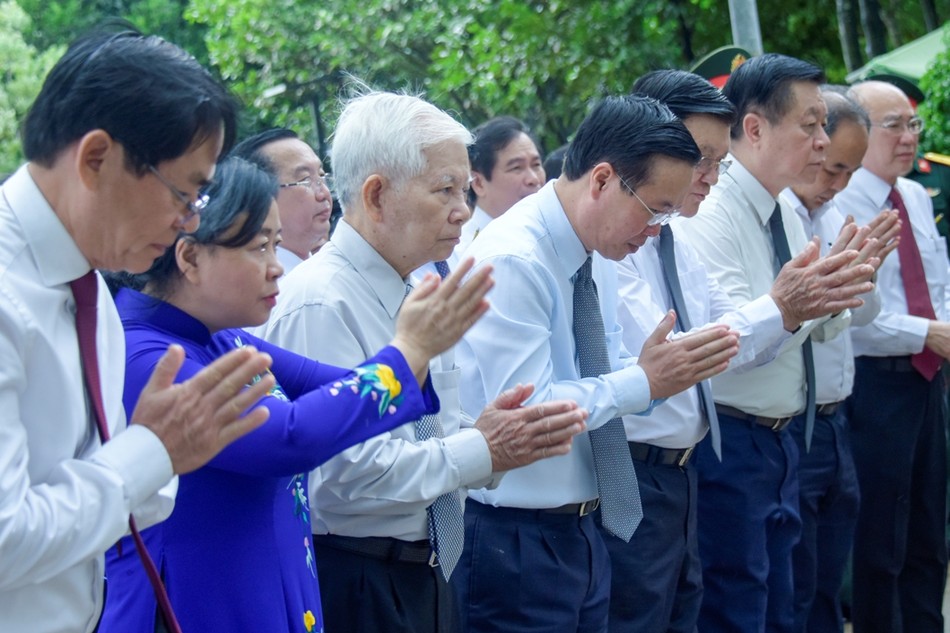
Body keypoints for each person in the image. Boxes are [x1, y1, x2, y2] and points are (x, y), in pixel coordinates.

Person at [97, 156, 493, 632]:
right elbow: (289, 436)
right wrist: (408, 351)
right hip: (199, 606)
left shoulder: (218, 338)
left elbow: (333, 386)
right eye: (260, 247)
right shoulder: (148, 357)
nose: (276, 268)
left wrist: (416, 354)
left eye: (276, 244)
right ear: (190, 258)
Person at [260, 90, 588, 633]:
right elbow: (348, 476)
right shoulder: (321, 301)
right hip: (362, 575)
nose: (464, 209)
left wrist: (487, 438)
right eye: (445, 189)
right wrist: (481, 448)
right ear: (376, 195)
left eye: (464, 189)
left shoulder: (417, 287)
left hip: (428, 568)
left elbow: (434, 430)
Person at [0, 27, 278, 633]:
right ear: (97, 159)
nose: (189, 223)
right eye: (187, 193)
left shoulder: (89, 287)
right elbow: (5, 541)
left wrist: (162, 452)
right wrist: (150, 451)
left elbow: (115, 503)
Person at [453, 93, 744, 633]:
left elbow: (603, 372)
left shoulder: (596, 248)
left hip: (584, 527)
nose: (656, 230)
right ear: (603, 179)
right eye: (655, 209)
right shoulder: (514, 260)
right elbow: (533, 412)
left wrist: (649, 375)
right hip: (514, 538)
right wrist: (644, 380)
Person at [605, 70, 879, 633]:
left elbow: (730, 335)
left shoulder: (676, 234)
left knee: (773, 604)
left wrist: (803, 302)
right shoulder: (626, 238)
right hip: (658, 463)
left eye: (716, 160)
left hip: (709, 455)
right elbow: (680, 354)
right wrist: (785, 305)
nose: (710, 174)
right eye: (701, 158)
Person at [782, 87, 899, 633]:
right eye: (832, 168)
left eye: (850, 172)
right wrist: (835, 286)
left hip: (835, 420)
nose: (838, 184)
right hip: (789, 424)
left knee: (829, 580)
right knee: (795, 586)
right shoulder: (778, 216)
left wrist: (863, 272)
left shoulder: (833, 217)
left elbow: (864, 316)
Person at [837, 79, 950, 633]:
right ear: (858, 131)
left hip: (929, 381)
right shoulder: (838, 201)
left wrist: (940, 329)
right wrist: (927, 332)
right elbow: (853, 316)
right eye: (893, 126)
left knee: (930, 530)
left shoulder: (915, 196)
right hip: (875, 385)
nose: (908, 137)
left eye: (913, 125)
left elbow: (938, 283)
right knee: (881, 538)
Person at [230, 128, 334, 270]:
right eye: (305, 180)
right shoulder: (262, 277)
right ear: (261, 196)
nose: (324, 193)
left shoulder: (324, 268)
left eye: (321, 176)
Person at [451, 116, 545, 265]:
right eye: (516, 168)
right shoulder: (458, 255)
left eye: (536, 165)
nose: (533, 179)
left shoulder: (545, 240)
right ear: (479, 183)